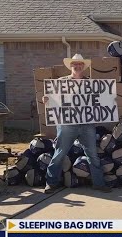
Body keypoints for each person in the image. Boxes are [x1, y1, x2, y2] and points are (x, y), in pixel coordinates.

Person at [43, 54, 111, 193]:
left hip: (87, 125)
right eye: (75, 64)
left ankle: (99, 183)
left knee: (92, 154)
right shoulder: (61, 83)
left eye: (80, 64)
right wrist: (47, 100)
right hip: (67, 124)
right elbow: (54, 102)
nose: (77, 66)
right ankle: (51, 182)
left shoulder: (92, 84)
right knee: (60, 153)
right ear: (71, 66)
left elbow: (100, 102)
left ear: (83, 66)